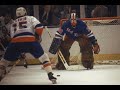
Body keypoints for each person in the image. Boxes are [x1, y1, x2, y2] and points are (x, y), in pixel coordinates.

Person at [0, 7, 57, 84]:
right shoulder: (30, 18)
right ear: (25, 13)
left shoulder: (13, 23)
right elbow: (39, 27)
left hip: (15, 42)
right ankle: (50, 75)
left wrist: (20, 53)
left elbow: (13, 38)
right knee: (44, 57)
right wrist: (37, 36)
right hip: (30, 40)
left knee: (4, 61)